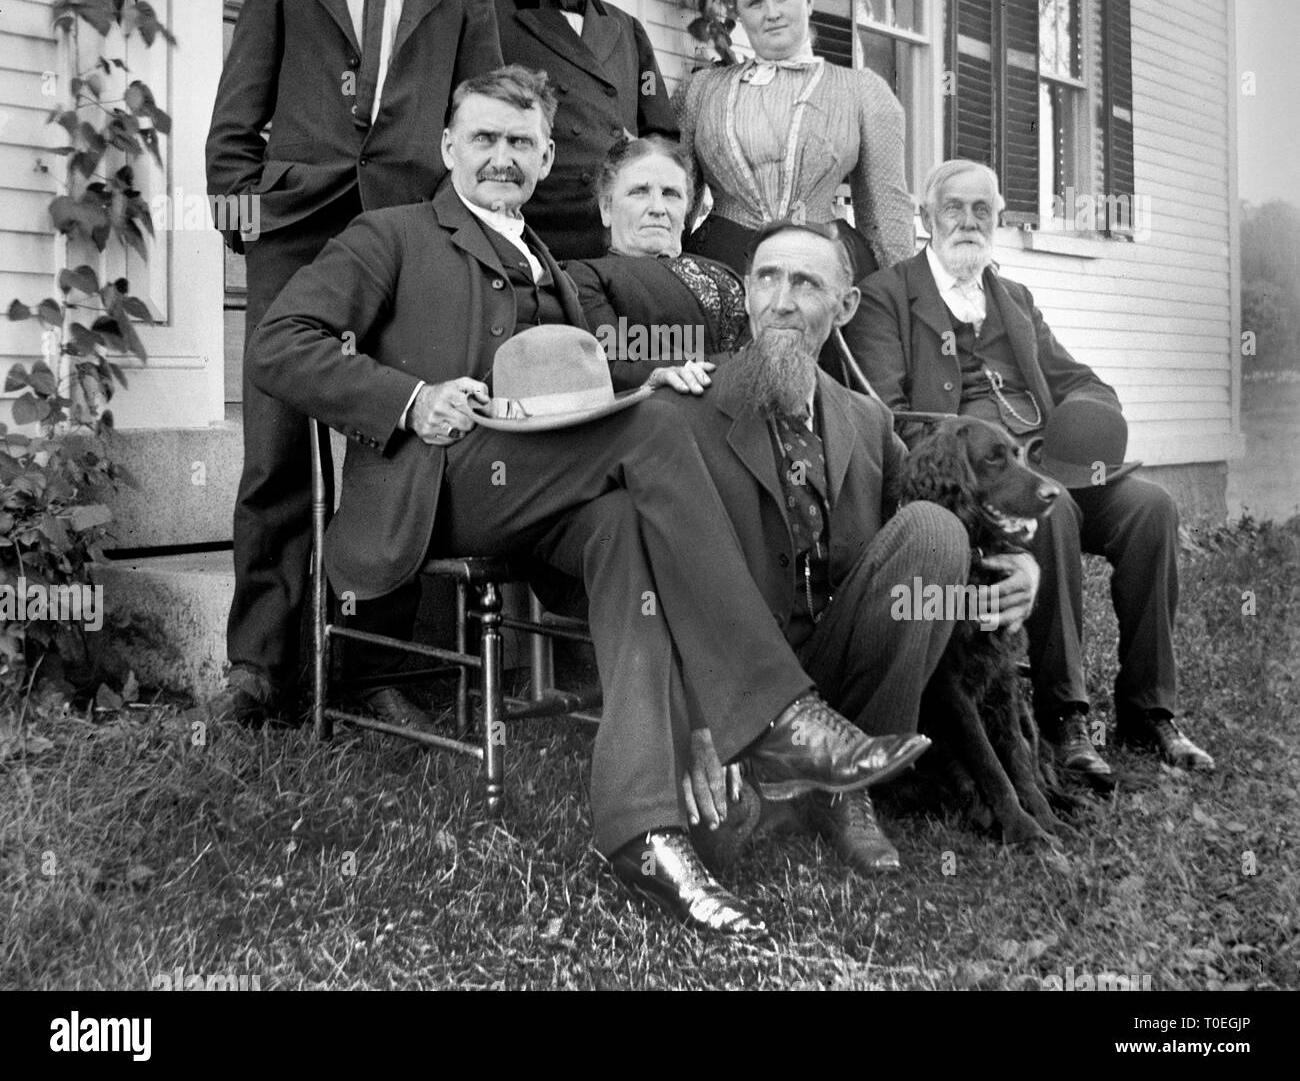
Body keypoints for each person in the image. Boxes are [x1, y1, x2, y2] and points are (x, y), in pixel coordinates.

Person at [246, 65, 930, 937]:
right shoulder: (388, 236)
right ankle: (780, 716)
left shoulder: (548, 265)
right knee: (656, 434)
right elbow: (279, 345)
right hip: (440, 480)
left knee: (626, 533)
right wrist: (410, 399)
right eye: (485, 139)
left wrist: (654, 372)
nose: (502, 157)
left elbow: (587, 378)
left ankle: (644, 830)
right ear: (448, 148)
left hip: (546, 485)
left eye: (521, 144)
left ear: (543, 161)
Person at [205, 0, 503, 728]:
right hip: (296, 231)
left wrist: (461, 231)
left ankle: (380, 669)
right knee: (275, 452)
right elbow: (236, 110)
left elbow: (486, 115)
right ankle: (259, 670)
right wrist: (243, 213)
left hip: (410, 237)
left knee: (402, 444)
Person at [670, 219, 1041, 876]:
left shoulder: (866, 420)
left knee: (932, 529)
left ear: (844, 306)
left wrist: (1018, 563)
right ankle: (778, 767)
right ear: (748, 294)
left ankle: (851, 783)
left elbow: (942, 506)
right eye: (766, 278)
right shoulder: (692, 404)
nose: (781, 300)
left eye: (806, 283)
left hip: (841, 651)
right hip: (743, 667)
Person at [851, 159, 1215, 775]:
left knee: (1151, 507)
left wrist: (1088, 419)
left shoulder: (1011, 295)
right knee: (1054, 513)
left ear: (998, 218)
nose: (969, 222)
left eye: (983, 211)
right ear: (925, 218)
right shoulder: (887, 295)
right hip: (972, 482)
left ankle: (1150, 709)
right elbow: (888, 416)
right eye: (953, 209)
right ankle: (1067, 716)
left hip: (1047, 462)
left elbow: (1080, 379)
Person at [677, 0, 915, 278]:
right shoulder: (701, 91)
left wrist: (897, 305)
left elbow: (886, 215)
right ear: (738, 15)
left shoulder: (862, 92)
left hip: (824, 263)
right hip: (719, 267)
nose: (772, 13)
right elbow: (676, 201)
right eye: (755, 3)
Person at [493, 0, 678, 259]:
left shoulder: (626, 27)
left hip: (611, 240)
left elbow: (660, 137)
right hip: (528, 238)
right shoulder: (489, 14)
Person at [564, 134, 748, 391]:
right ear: (607, 208)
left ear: (686, 211)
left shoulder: (724, 275)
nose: (658, 208)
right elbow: (611, 366)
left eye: (671, 194)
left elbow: (744, 351)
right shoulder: (584, 277)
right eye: (639, 192)